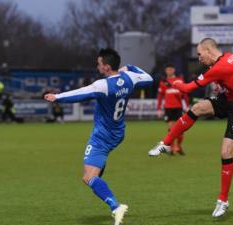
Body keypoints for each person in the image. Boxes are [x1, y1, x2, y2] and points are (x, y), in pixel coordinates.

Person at [148, 38, 233, 217]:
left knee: (226, 153)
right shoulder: (229, 57)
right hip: (229, 99)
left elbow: (188, 88)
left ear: (208, 50)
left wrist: (173, 82)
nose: (199, 58)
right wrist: (219, 84)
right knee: (196, 108)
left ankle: (223, 200)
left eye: (199, 54)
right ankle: (165, 143)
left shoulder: (219, 67)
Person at [44, 48, 153, 225]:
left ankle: (116, 207)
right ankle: (101, 176)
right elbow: (149, 78)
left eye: (99, 63)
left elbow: (80, 93)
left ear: (107, 67)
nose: (97, 65)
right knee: (92, 176)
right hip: (118, 132)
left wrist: (56, 97)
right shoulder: (130, 79)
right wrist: (130, 67)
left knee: (88, 178)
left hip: (102, 136)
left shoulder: (103, 85)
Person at [155, 63, 188, 155]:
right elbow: (160, 97)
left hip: (178, 108)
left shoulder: (180, 80)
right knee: (171, 129)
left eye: (171, 69)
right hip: (168, 108)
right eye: (167, 70)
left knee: (180, 129)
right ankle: (172, 148)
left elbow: (184, 94)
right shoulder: (163, 82)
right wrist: (158, 109)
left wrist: (187, 106)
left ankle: (178, 146)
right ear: (166, 71)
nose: (169, 71)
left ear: (174, 70)